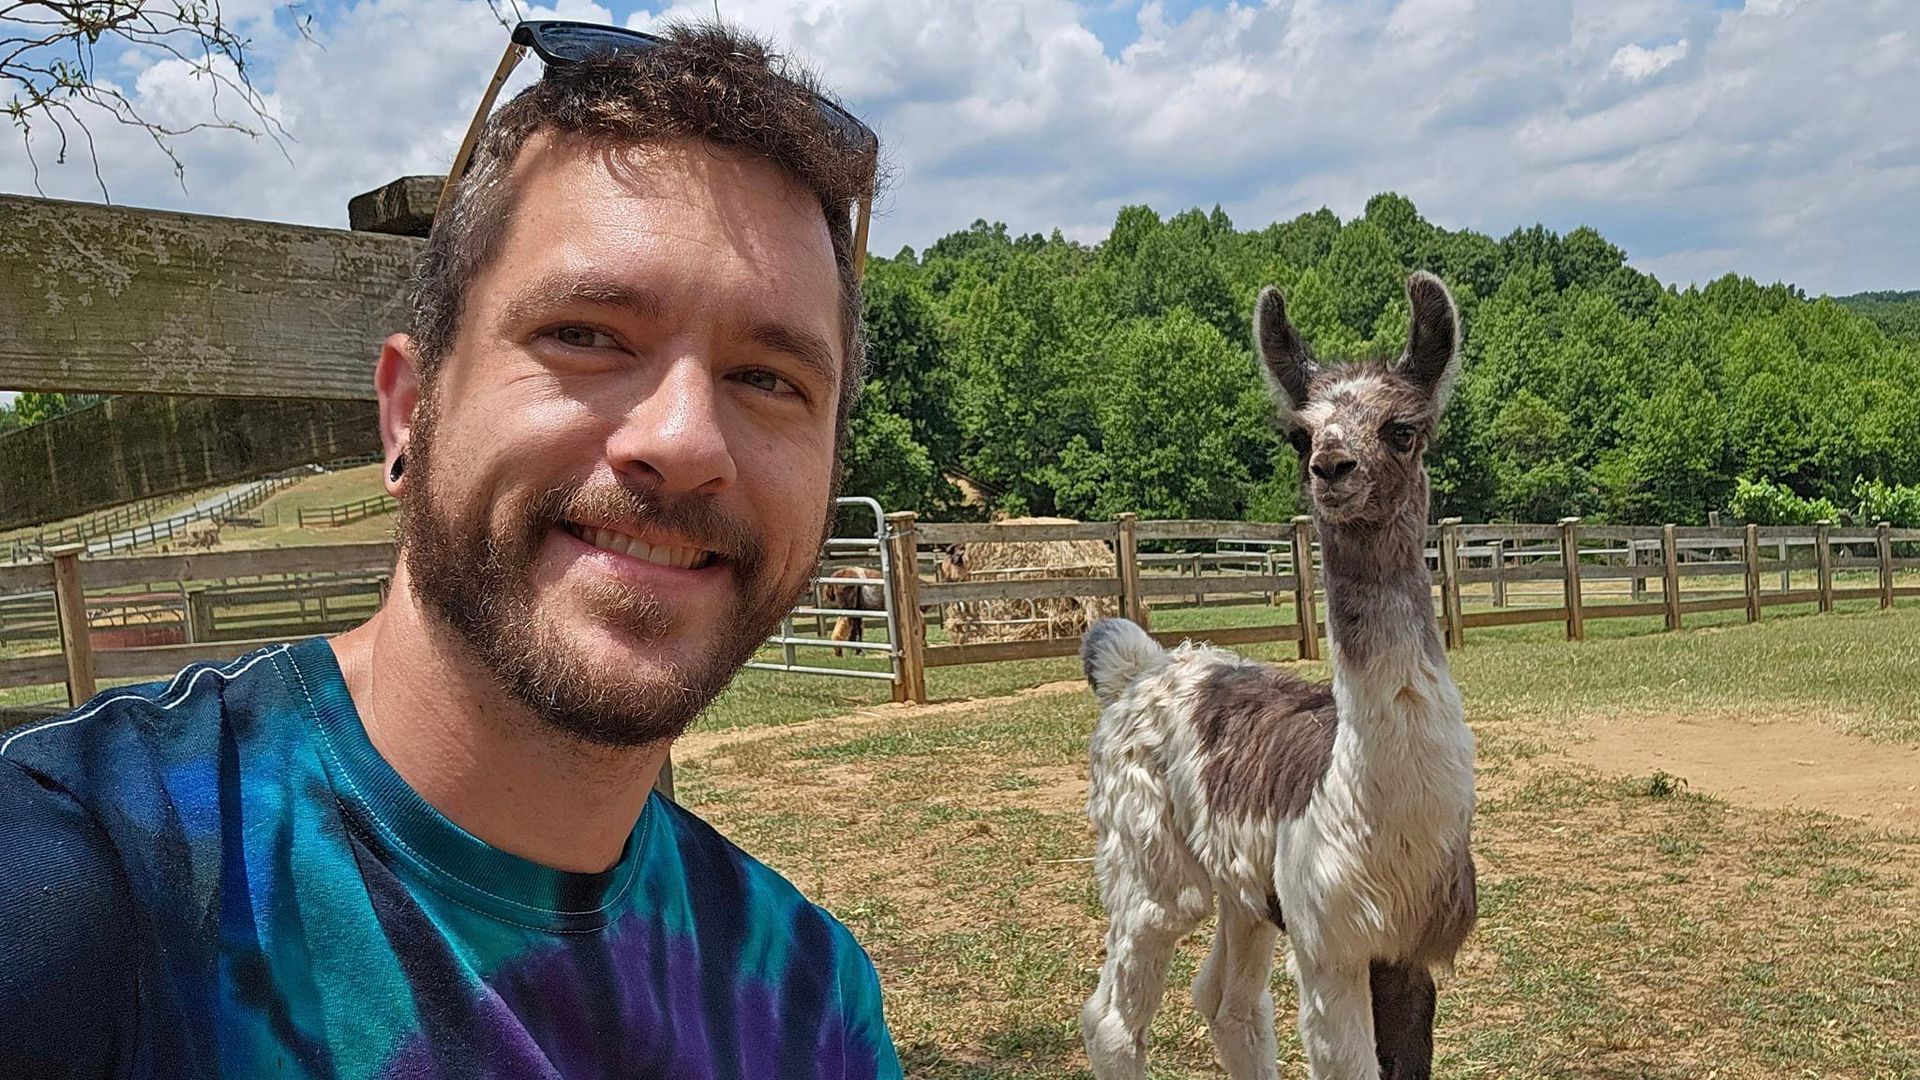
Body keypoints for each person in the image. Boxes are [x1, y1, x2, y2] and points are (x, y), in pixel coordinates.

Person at [0, 20, 901, 1079]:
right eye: (586, 335)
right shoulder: (88, 880)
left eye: (769, 379)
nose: (687, 441)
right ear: (409, 412)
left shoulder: (813, 1003)